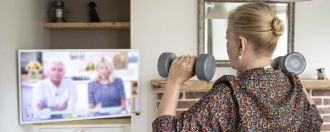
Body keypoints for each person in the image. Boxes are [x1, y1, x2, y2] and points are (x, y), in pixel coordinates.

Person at [153, 3, 323, 131]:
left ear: (241, 44)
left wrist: (174, 80)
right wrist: (293, 77)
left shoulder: (229, 93)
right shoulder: (294, 84)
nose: (227, 45)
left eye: (228, 39)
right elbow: (315, 121)